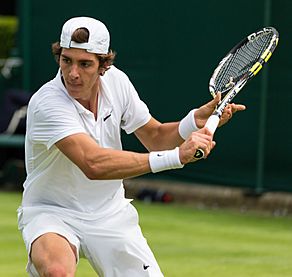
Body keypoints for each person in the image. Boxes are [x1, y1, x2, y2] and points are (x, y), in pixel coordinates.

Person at [17, 16, 245, 277]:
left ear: (103, 65)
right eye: (66, 60)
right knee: (57, 271)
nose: (73, 73)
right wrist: (176, 157)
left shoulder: (117, 82)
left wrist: (194, 121)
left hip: (110, 213)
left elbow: (155, 136)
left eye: (85, 64)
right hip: (51, 212)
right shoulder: (48, 103)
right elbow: (93, 164)